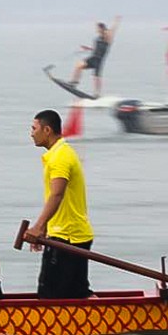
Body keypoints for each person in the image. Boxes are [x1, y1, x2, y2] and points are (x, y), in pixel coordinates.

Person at [25, 110, 93, 299]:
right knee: (78, 293)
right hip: (73, 233)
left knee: (50, 296)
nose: (31, 133)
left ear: (47, 130)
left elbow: (57, 194)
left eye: (34, 128)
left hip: (67, 237)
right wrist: (45, 227)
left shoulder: (60, 157)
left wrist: (38, 226)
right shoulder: (60, 153)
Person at [68, 17, 120, 92]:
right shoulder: (98, 38)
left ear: (102, 29)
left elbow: (113, 30)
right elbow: (96, 48)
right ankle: (74, 82)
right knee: (78, 65)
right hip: (92, 58)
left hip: (99, 60)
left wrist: (116, 21)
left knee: (96, 78)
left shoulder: (107, 38)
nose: (97, 30)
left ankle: (97, 94)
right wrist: (87, 48)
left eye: (98, 28)